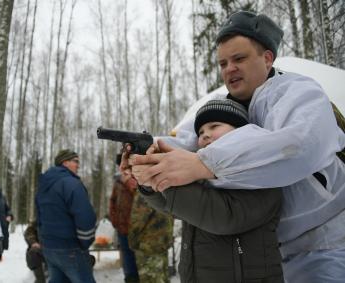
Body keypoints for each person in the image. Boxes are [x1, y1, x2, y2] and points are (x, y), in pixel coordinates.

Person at [125, 10, 345, 283]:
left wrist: (205, 163)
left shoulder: (298, 92)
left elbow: (299, 145)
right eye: (222, 63)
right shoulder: (225, 106)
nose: (229, 68)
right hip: (275, 251)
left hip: (328, 241)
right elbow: (184, 142)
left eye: (239, 58)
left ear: (267, 58)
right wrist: (145, 154)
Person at [136, 99, 283, 282]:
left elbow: (226, 217)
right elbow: (173, 207)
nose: (205, 135)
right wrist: (148, 181)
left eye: (214, 126)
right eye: (201, 132)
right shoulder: (203, 173)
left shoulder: (262, 169)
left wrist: (167, 176)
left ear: (241, 131)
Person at [36, 149, 97, 283]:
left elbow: (39, 217)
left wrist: (43, 240)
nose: (78, 165)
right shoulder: (71, 184)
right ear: (65, 163)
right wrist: (85, 242)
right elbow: (85, 216)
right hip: (70, 248)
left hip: (49, 248)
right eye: (75, 161)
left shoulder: (44, 185)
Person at [127, 170, 173, 283]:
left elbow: (138, 219)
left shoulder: (145, 190)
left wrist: (131, 241)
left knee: (151, 278)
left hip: (148, 246)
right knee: (163, 277)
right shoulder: (165, 186)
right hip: (163, 242)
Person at [109, 154, 139, 283]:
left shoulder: (140, 178)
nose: (123, 169)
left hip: (138, 229)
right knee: (127, 257)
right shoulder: (118, 181)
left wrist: (128, 181)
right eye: (121, 165)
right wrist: (115, 221)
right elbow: (112, 201)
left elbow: (140, 197)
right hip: (123, 228)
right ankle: (130, 278)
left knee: (138, 257)